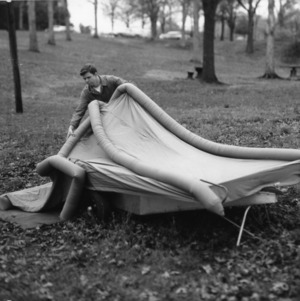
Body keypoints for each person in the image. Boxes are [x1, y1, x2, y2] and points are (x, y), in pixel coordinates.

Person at [67, 63, 128, 138]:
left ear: (95, 74)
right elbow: (79, 111)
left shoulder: (112, 80)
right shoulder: (86, 92)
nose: (86, 81)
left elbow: (129, 87)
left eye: (89, 77)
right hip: (104, 120)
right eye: (84, 79)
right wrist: (71, 127)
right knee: (85, 135)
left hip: (121, 113)